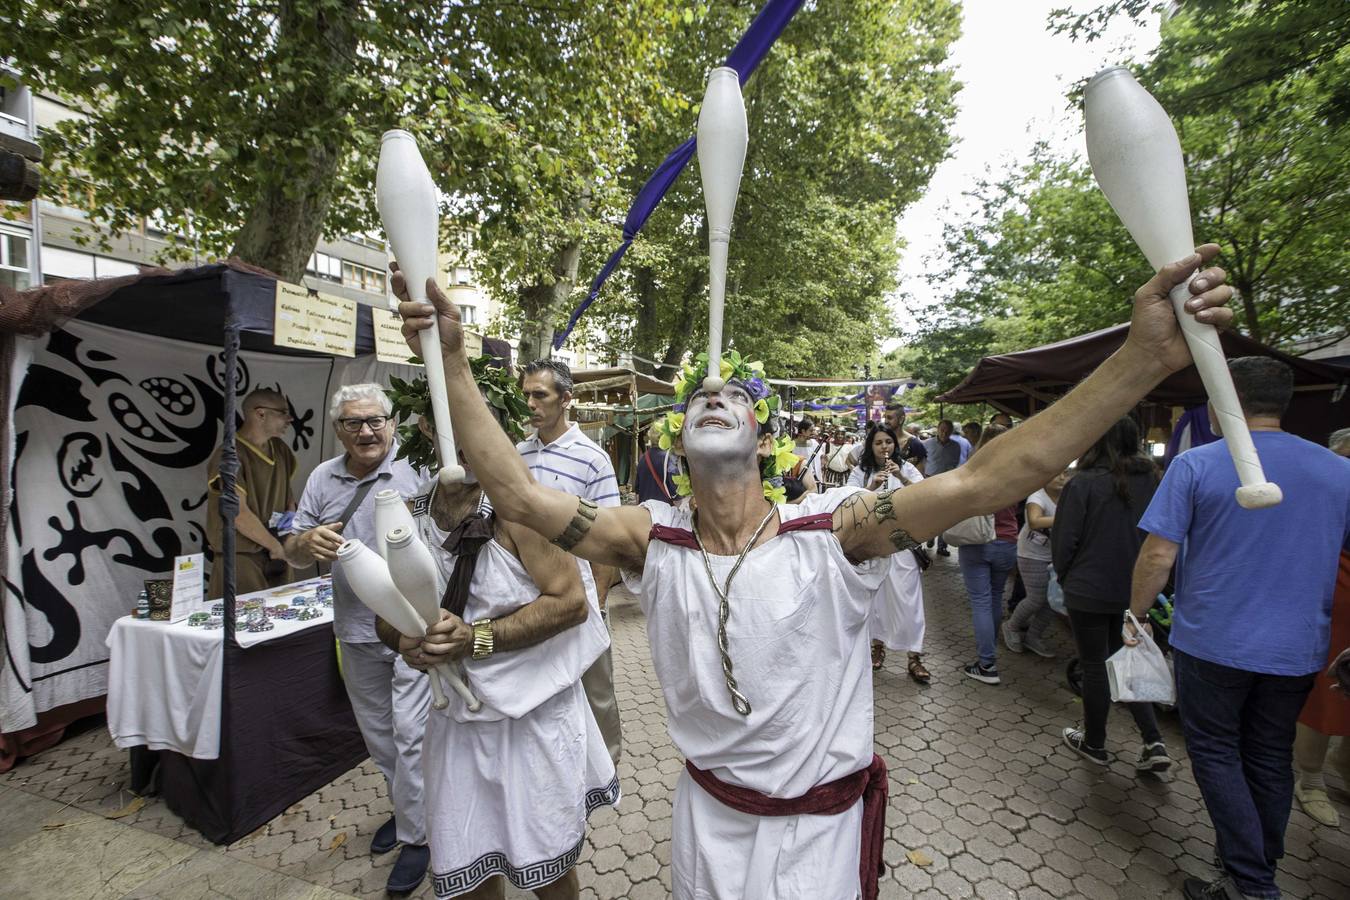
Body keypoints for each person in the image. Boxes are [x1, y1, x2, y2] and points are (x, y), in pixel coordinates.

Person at [396, 244, 1234, 899]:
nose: (713, 394)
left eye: (735, 398)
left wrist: (1142, 357)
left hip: (816, 840)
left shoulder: (836, 530)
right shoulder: (651, 539)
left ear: (764, 442)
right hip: (706, 822)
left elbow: (990, 478)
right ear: (679, 446)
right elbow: (510, 486)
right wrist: (456, 362)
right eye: (697, 401)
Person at [1127, 358, 1350, 900]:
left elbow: (1158, 554)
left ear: (1220, 399)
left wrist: (1134, 616)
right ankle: (1259, 864)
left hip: (1213, 641)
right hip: (1300, 646)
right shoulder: (1338, 470)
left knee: (1216, 752)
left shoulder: (1198, 464)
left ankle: (1251, 882)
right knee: (1270, 754)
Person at [394, 388, 619, 900]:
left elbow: (570, 603)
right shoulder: (407, 515)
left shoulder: (521, 511)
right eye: (454, 426)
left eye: (483, 427)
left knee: (548, 865)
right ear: (428, 431)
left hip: (531, 719)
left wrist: (473, 639)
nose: (472, 440)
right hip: (455, 722)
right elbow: (387, 611)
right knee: (468, 857)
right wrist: (406, 640)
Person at [283, 383, 431, 894]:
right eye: (353, 423)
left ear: (393, 423)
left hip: (413, 628)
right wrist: (305, 542)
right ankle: (410, 813)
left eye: (375, 421)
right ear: (338, 429)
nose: (366, 431)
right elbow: (293, 551)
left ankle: (418, 838)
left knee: (413, 736)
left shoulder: (420, 466)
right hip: (355, 629)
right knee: (381, 737)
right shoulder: (324, 478)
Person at [516, 358, 623, 768]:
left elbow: (610, 534)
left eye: (539, 395)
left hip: (582, 595)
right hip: (528, 594)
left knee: (596, 686)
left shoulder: (592, 458)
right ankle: (550, 763)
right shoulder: (516, 455)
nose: (530, 404)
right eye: (526, 394)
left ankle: (606, 766)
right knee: (541, 681)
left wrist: (594, 602)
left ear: (566, 399)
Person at [1051, 418, 1169, 770]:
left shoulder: (1083, 483)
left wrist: (1067, 576)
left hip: (1088, 588)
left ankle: (1095, 743)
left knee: (1095, 666)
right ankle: (1153, 740)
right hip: (1136, 589)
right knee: (1126, 662)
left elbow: (1064, 540)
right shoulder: (1155, 481)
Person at [1293, 427, 1350, 828]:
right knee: (1327, 689)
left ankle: (1344, 762)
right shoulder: (1323, 485)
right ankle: (1310, 778)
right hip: (1333, 590)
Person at [847, 424, 929, 684]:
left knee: (909, 598)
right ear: (870, 446)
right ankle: (877, 646)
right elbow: (847, 502)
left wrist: (902, 478)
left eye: (888, 442)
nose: (885, 447)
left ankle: (914, 657)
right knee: (876, 598)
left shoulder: (906, 468)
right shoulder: (862, 471)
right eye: (879, 443)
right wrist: (871, 486)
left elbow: (925, 496)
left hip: (902, 542)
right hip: (871, 544)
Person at [206, 387, 296, 598]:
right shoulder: (229, 455)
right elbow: (238, 513)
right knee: (246, 624)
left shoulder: (280, 449)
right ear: (260, 413)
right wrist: (274, 545)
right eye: (283, 413)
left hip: (278, 552)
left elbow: (288, 497)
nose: (289, 419)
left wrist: (287, 537)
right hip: (243, 556)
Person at [956, 424, 1017, 685]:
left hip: (978, 541)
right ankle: (989, 651)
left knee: (981, 601)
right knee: (994, 598)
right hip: (1007, 541)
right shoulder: (1019, 469)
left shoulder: (976, 468)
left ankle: (987, 664)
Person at [1002, 468, 1071, 659]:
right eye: (1057, 473)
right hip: (1031, 554)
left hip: (1055, 555)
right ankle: (1011, 626)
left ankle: (1034, 636)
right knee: (1036, 598)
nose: (1062, 477)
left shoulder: (1068, 497)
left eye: (1066, 473)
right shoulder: (1037, 497)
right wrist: (1066, 519)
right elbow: (1035, 521)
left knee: (1053, 601)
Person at [921, 419, 972, 557]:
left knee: (944, 515)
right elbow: (922, 462)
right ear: (937, 429)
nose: (944, 433)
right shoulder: (927, 444)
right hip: (929, 482)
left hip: (946, 483)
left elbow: (955, 464)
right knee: (931, 513)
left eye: (947, 430)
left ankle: (942, 546)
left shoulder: (956, 446)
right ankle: (930, 536)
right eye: (942, 429)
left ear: (951, 432)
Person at [849, 402, 927, 474]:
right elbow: (850, 459)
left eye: (889, 418)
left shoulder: (915, 444)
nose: (885, 421)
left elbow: (919, 477)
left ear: (901, 419)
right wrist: (858, 475)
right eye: (885, 417)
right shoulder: (876, 439)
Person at [636, 421, 681, 504]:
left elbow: (637, 492)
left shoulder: (643, 458)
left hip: (645, 510)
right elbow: (676, 493)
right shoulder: (670, 458)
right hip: (663, 511)